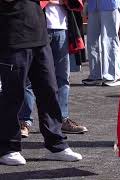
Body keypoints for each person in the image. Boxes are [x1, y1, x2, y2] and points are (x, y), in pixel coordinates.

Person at [0, 0, 82, 165]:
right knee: (13, 95)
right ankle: (8, 148)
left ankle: (57, 145)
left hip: (39, 35)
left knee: (49, 91)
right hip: (13, 35)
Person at [18, 0, 88, 138]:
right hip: (35, 26)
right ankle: (24, 121)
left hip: (62, 27)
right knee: (29, 78)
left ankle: (61, 118)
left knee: (62, 77)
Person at [82, 0, 120, 86]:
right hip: (93, 5)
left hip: (109, 4)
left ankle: (113, 76)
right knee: (92, 41)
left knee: (109, 39)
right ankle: (95, 75)